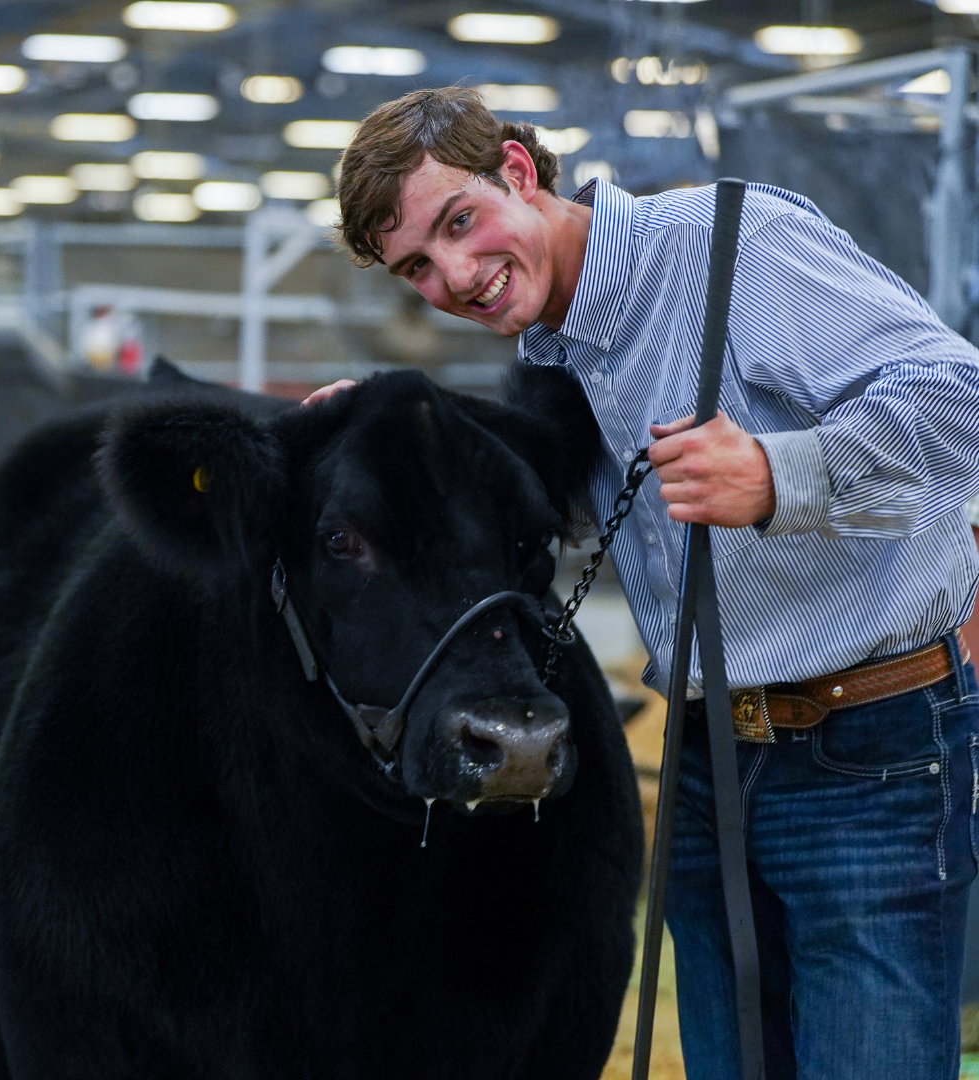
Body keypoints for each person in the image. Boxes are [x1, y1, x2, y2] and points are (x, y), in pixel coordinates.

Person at [305, 86, 979, 1080]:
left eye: (460, 221)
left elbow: (958, 402)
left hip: (867, 756)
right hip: (709, 760)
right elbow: (547, 496)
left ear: (520, 175)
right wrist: (383, 429)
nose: (455, 274)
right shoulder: (553, 347)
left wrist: (777, 475)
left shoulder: (727, 245)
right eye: (417, 265)